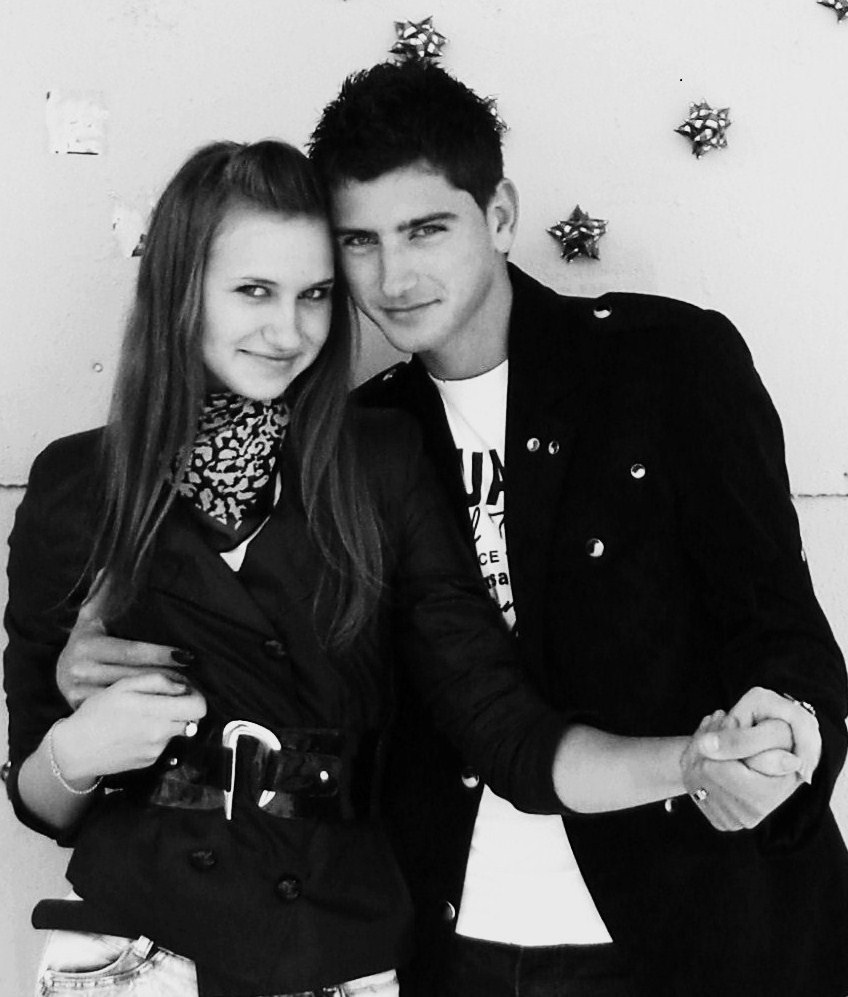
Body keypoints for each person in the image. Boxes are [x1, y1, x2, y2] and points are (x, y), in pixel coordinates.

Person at [307, 61, 848, 996]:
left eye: (426, 228)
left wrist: (785, 734)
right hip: (451, 942)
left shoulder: (667, 363)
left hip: (692, 928)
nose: (393, 276)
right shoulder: (362, 437)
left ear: (500, 216)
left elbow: (781, 626)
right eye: (360, 241)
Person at [2, 139, 586, 997]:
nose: (289, 331)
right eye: (254, 291)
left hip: (336, 943)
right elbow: (36, 797)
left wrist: (683, 761)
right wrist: (79, 747)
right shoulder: (78, 484)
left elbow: (485, 702)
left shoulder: (378, 461)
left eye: (314, 294)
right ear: (179, 289)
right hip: (136, 944)